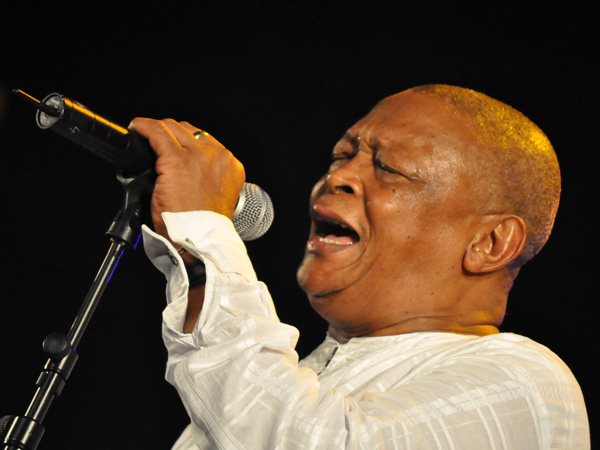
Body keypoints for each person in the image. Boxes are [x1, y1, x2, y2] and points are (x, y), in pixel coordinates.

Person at [130, 85, 590, 449]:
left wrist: (203, 239)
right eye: (342, 156)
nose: (337, 178)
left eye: (389, 168)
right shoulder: (300, 381)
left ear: (490, 243)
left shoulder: (526, 384)